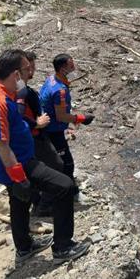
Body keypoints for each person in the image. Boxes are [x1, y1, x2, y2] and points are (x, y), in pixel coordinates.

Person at [0, 49, 90, 264]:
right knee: (64, 186)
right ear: (15, 75)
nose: (30, 73)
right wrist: (19, 178)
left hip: (16, 162)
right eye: (26, 70)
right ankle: (63, 247)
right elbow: (2, 144)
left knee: (19, 203)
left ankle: (24, 247)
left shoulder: (0, 93)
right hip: (18, 164)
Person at [16, 51, 64, 217]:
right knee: (56, 165)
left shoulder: (22, 88)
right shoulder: (20, 92)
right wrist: (36, 123)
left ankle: (37, 201)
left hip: (34, 134)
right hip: (34, 136)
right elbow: (18, 115)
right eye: (30, 68)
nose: (33, 71)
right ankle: (44, 205)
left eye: (33, 67)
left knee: (37, 169)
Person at [39, 53, 94, 198]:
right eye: (71, 63)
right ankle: (67, 192)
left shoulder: (51, 79)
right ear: (63, 68)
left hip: (48, 125)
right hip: (53, 130)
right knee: (66, 163)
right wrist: (81, 118)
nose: (74, 65)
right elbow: (61, 115)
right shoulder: (60, 91)